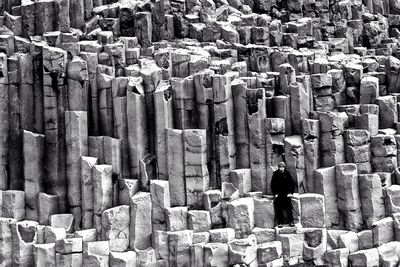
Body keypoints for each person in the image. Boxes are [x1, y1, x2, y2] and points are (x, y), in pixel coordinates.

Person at [270, 162, 295, 227]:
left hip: (286, 193)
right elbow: (272, 184)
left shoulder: (287, 173)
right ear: (278, 167)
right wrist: (275, 193)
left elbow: (291, 183)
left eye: (282, 167)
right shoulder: (275, 174)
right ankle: (280, 222)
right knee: (279, 208)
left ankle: (291, 221)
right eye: (280, 167)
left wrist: (291, 193)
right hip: (279, 194)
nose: (281, 168)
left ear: (284, 167)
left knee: (289, 207)